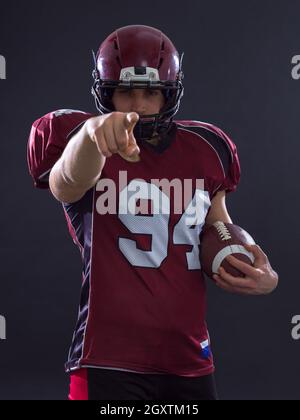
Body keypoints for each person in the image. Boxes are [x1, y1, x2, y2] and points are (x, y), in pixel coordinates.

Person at [27, 25, 278, 400]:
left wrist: (261, 273)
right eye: (125, 92)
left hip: (189, 353)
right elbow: (66, 184)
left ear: (170, 93)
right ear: (106, 93)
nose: (138, 105)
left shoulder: (208, 147)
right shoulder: (80, 139)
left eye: (151, 92)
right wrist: (91, 137)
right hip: (108, 356)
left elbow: (216, 225)